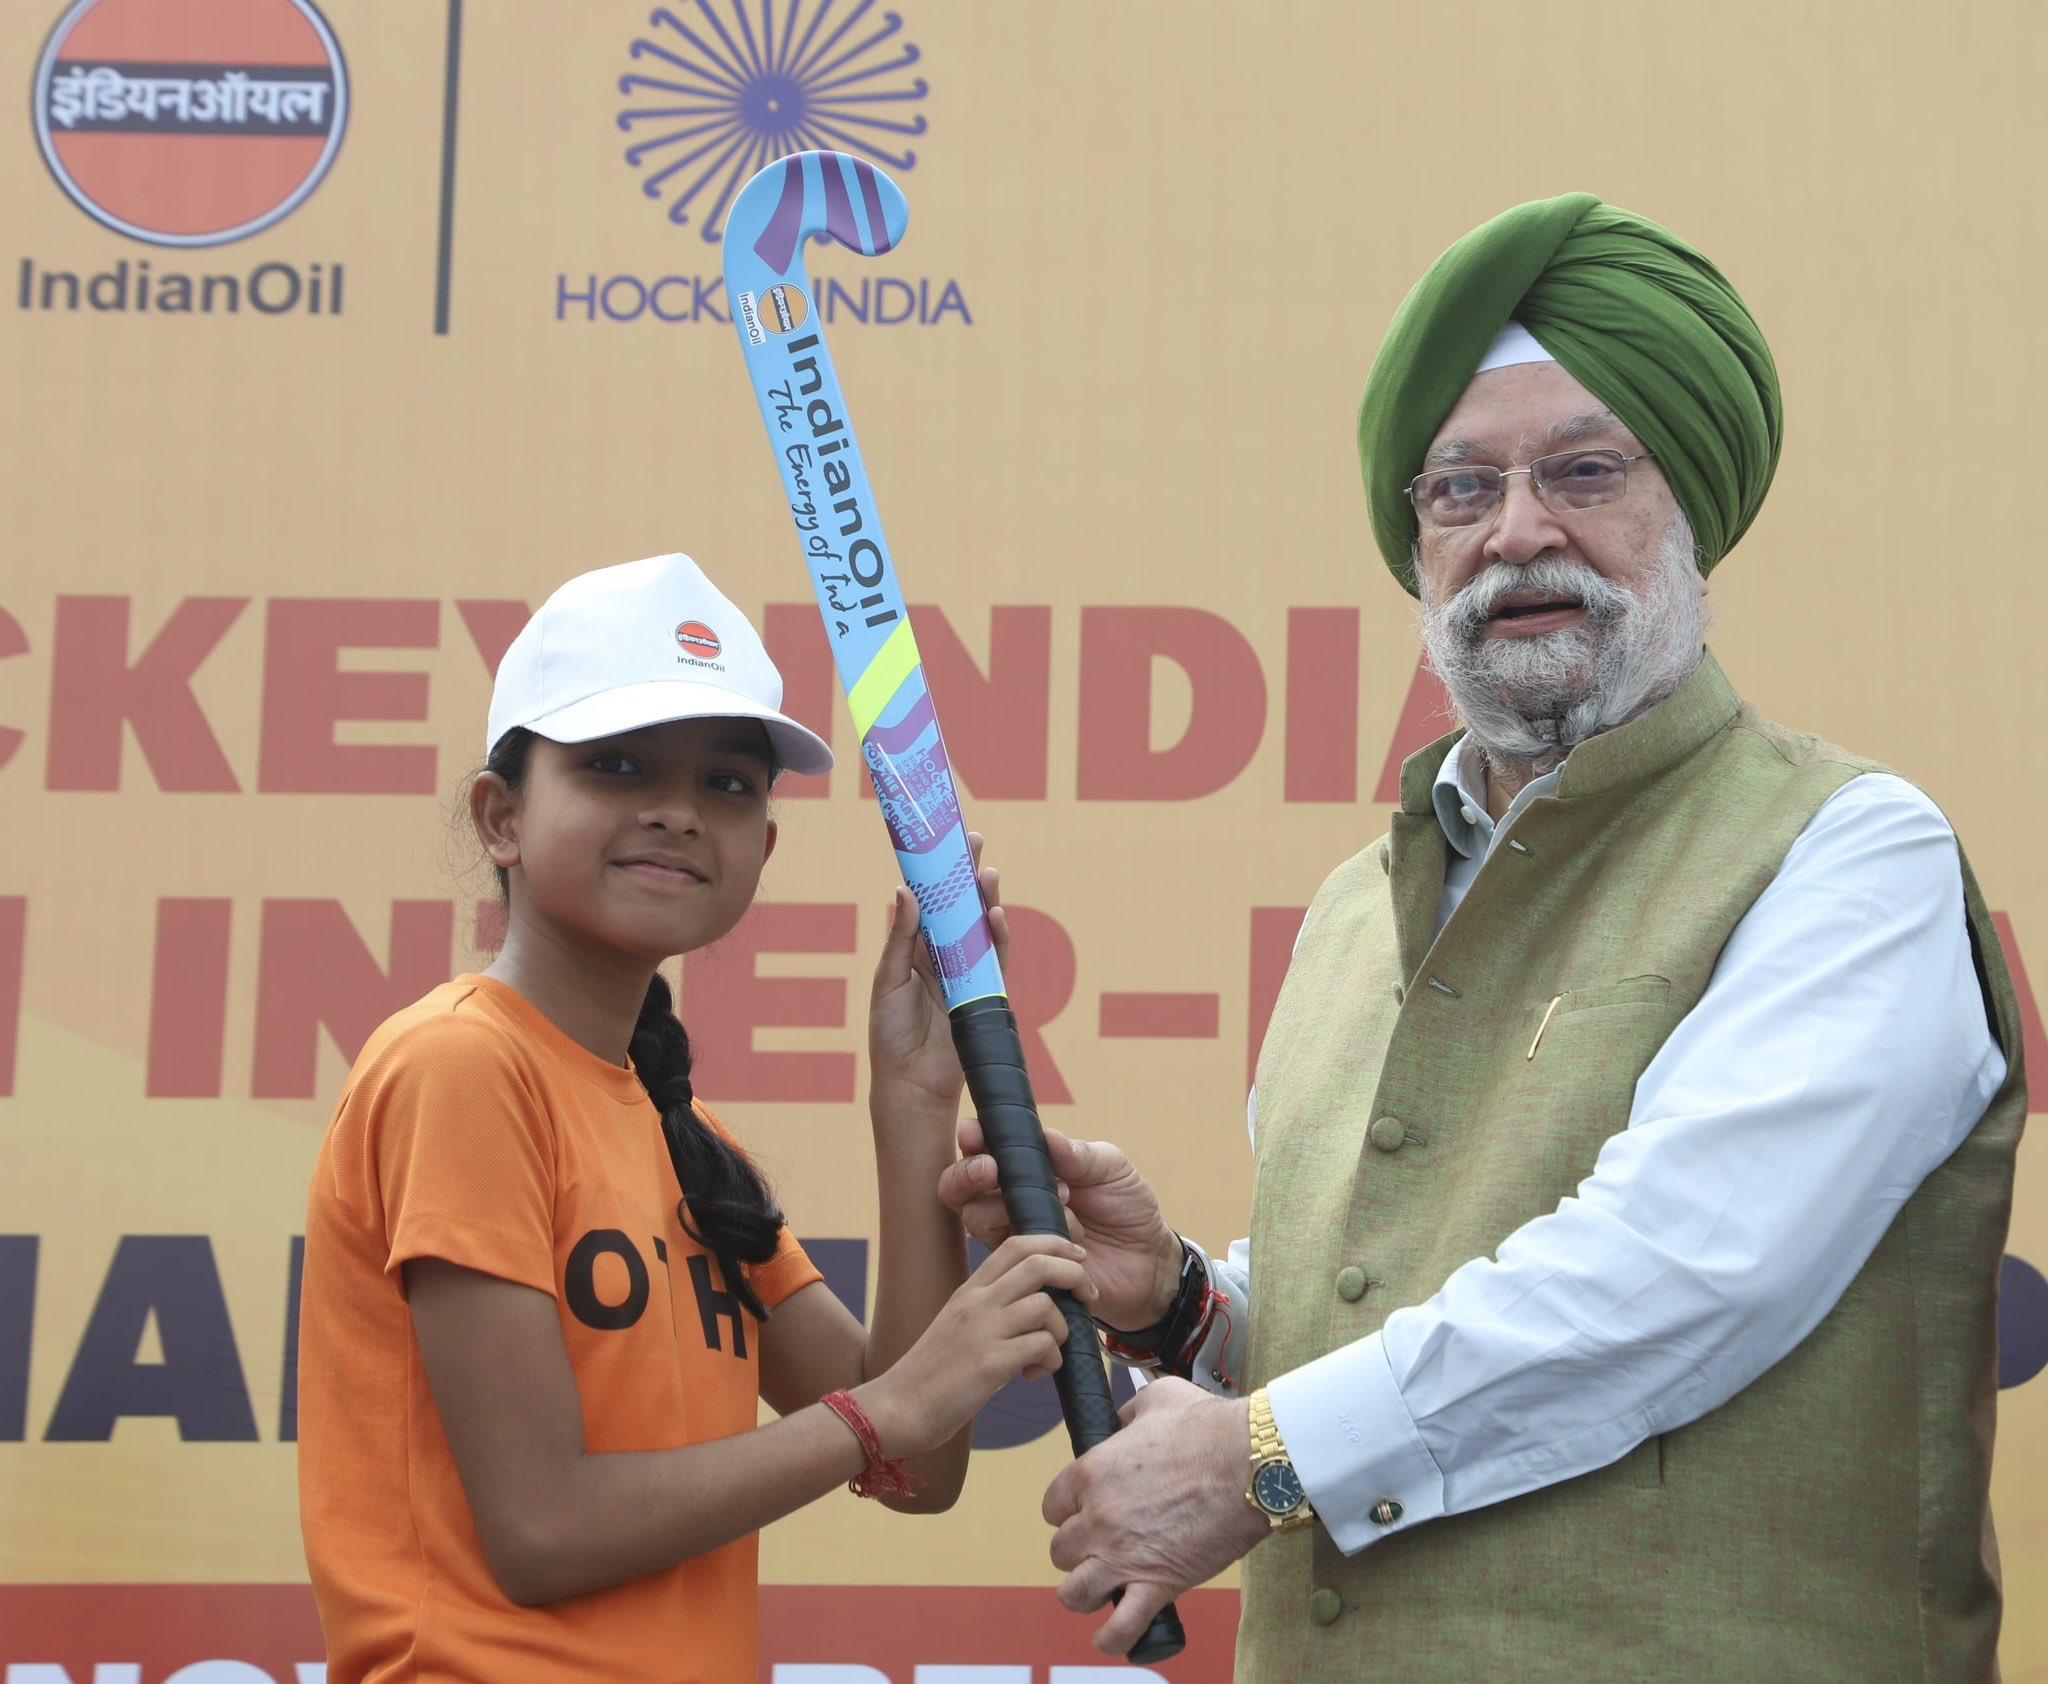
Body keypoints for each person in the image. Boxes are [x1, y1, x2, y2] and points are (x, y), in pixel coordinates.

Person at [941, 196, 2027, 1680]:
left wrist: (1249, 1460)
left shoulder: (1851, 853)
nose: (1519, 531)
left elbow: (1672, 1279)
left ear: (1693, 514)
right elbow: (1402, 1320)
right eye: (1461, 489)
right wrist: (1191, 1304)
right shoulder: (1349, 915)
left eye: (1584, 470)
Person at [297, 553, 1096, 1684]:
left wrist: (913, 1099)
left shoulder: (680, 1132)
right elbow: (542, 1530)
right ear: (501, 816)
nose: (676, 811)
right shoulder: (460, 1063)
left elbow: (917, 1469)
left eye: (727, 783)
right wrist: (885, 1407)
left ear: (761, 848)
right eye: (617, 765)